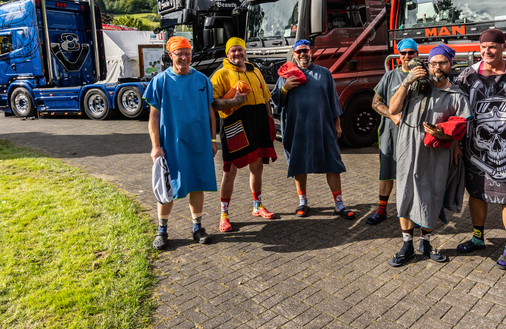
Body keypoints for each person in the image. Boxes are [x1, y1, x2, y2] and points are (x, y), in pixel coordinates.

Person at [455, 28, 506, 271]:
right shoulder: (467, 76)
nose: (487, 51)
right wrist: (456, 146)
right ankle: (478, 238)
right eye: (483, 47)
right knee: (477, 193)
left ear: (504, 46)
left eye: (492, 46)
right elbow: (456, 111)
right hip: (474, 149)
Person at [387, 44, 471, 267]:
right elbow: (393, 109)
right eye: (433, 63)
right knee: (405, 193)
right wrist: (407, 81)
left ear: (450, 64)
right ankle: (407, 245)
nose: (437, 67)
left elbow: (460, 127)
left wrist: (447, 137)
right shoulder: (415, 87)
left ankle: (425, 242)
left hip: (436, 152)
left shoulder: (457, 95)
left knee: (432, 195)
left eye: (442, 62)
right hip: (408, 148)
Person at [144, 36, 217, 250]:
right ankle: (162, 230)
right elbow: (154, 117)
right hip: (171, 145)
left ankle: (197, 228)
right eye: (180, 53)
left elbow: (210, 112)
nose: (184, 57)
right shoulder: (160, 81)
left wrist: (213, 140)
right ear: (171, 55)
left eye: (187, 53)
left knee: (197, 183)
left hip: (199, 143)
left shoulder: (202, 80)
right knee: (168, 186)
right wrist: (156, 146)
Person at [271, 39, 354, 219]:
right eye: (299, 51)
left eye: (305, 50)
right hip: (297, 127)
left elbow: (333, 99)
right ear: (294, 55)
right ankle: (303, 202)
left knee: (333, 163)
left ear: (311, 52)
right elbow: (276, 100)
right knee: (298, 163)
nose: (302, 54)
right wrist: (284, 88)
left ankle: (339, 204)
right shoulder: (286, 74)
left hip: (322, 126)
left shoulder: (324, 73)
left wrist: (337, 124)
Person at [211, 37, 278, 232]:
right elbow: (213, 103)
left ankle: (257, 206)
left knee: (257, 167)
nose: (237, 54)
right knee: (229, 171)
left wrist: (269, 121)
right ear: (227, 53)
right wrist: (234, 101)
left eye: (240, 50)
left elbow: (266, 97)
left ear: (244, 51)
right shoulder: (221, 74)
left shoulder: (255, 70)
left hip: (257, 123)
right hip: (234, 125)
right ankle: (224, 214)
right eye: (233, 51)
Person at [367, 38, 419, 225]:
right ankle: (382, 210)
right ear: (399, 56)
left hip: (415, 133)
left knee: (415, 172)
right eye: (403, 53)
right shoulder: (390, 76)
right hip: (391, 132)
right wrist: (393, 115)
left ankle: (414, 210)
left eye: (410, 52)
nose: (407, 56)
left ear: (417, 54)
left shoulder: (424, 75)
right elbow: (375, 103)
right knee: (387, 171)